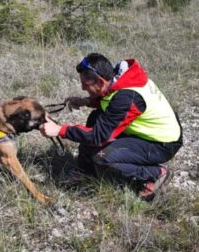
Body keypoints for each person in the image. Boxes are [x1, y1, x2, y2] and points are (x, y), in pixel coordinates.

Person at [40, 53, 182, 200]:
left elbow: (98, 136)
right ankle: (85, 171)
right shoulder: (122, 78)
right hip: (152, 132)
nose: (82, 87)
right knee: (96, 117)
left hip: (163, 143)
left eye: (85, 84)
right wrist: (86, 101)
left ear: (100, 81)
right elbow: (111, 97)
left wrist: (60, 130)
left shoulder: (127, 96)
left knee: (101, 157)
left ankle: (155, 173)